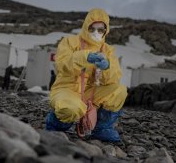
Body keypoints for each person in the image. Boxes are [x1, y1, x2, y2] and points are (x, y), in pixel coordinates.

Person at [45, 8, 127, 142]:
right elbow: (62, 65)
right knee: (70, 109)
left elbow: (115, 78)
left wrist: (107, 67)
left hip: (91, 93)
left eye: (101, 30)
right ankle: (55, 124)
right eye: (92, 28)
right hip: (67, 89)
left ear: (106, 31)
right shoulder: (70, 42)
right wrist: (84, 57)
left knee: (119, 90)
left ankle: (102, 128)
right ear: (85, 26)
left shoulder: (107, 50)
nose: (96, 33)